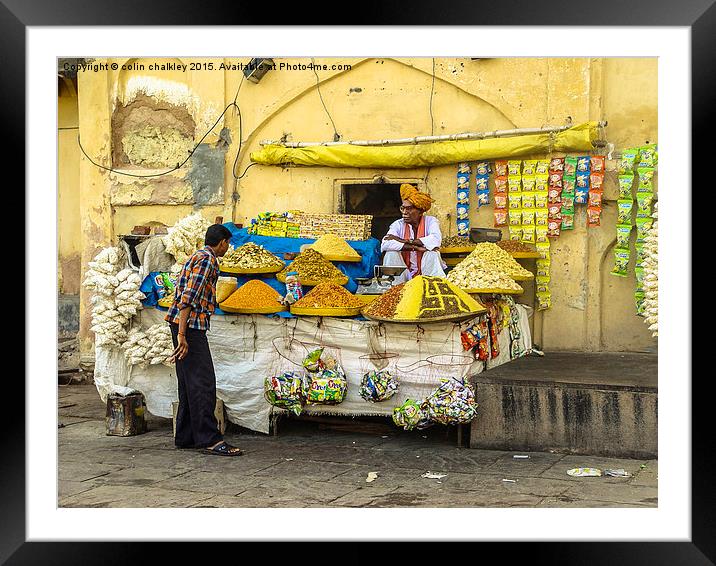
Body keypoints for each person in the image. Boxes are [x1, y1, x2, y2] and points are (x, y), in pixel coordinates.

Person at [165, 224, 243, 457]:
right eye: (227, 244)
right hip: (189, 327)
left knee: (188, 381)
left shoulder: (197, 256)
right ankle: (209, 439)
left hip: (183, 325)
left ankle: (187, 436)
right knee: (203, 382)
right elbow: (188, 298)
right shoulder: (208, 260)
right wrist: (182, 335)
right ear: (222, 243)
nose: (227, 248)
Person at [381, 183, 446, 282]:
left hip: (425, 271)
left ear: (420, 211)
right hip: (404, 273)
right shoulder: (398, 224)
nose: (404, 212)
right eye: (403, 208)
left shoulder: (431, 221)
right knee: (391, 253)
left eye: (409, 208)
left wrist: (403, 240)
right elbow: (386, 243)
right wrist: (414, 247)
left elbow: (435, 240)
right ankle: (393, 288)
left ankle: (433, 286)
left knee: (432, 253)